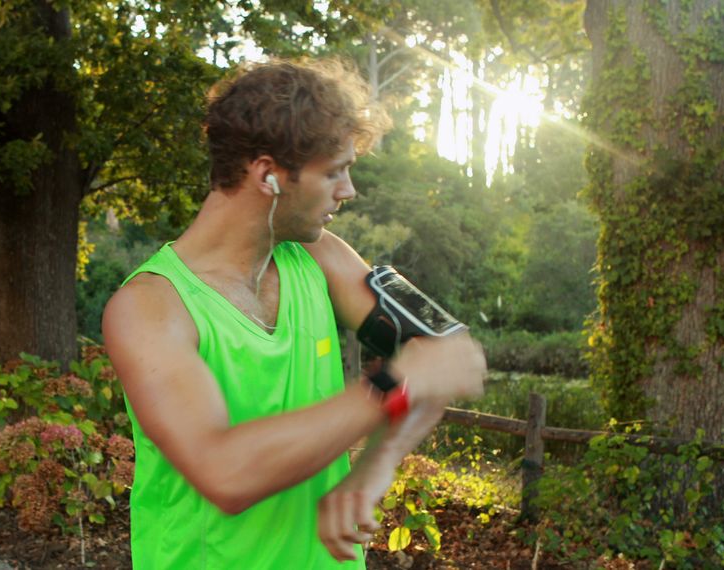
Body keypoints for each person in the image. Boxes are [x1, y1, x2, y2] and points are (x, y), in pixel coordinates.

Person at [102, 58, 486, 568]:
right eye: (333, 172)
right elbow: (225, 474)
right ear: (269, 175)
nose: (348, 191)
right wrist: (390, 387)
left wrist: (373, 468)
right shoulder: (150, 307)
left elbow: (448, 350)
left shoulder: (321, 257)